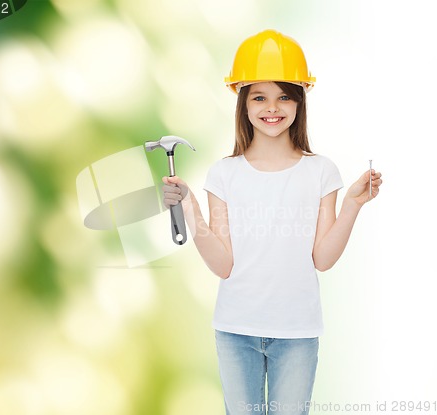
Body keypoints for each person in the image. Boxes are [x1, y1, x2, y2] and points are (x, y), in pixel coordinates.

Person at [162, 29, 383, 415]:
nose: (272, 107)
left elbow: (322, 258)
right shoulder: (224, 174)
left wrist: (352, 205)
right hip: (235, 330)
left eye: (284, 95)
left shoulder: (321, 172)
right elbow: (223, 264)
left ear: (299, 101)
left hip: (297, 333)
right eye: (259, 97)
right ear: (243, 103)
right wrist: (189, 208)